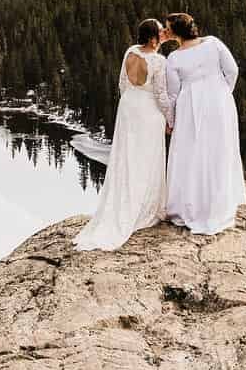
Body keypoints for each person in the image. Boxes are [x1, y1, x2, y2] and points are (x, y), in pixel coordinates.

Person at [73, 19, 173, 251]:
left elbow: (122, 84)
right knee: (147, 159)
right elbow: (160, 94)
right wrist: (170, 119)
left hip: (129, 106)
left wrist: (130, 103)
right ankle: (145, 208)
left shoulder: (130, 51)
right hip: (148, 110)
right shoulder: (159, 61)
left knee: (126, 158)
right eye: (160, 32)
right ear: (152, 38)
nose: (163, 33)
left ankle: (124, 203)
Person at [160, 11, 246, 236]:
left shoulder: (174, 59)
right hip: (219, 102)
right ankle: (219, 203)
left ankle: (191, 206)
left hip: (190, 107)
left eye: (168, 28)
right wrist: (223, 93)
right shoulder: (213, 43)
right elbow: (232, 70)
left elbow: (173, 95)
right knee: (219, 150)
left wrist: (170, 122)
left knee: (191, 154)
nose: (165, 31)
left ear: (176, 32)